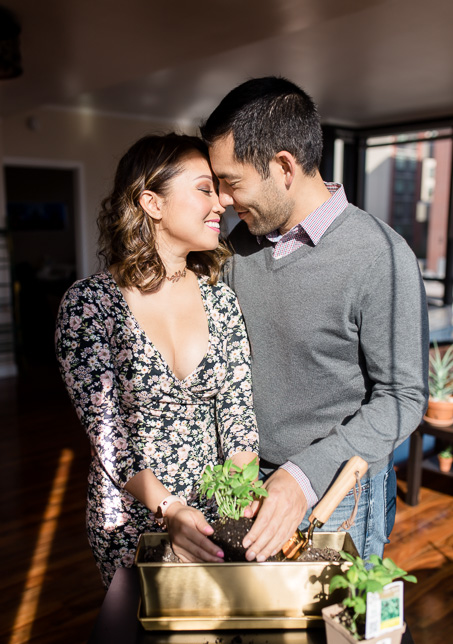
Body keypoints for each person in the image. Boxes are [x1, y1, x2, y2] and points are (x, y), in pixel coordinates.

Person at [200, 76, 429, 564]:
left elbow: (403, 398)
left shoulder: (381, 256)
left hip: (339, 493)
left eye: (231, 181)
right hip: (246, 485)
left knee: (329, 634)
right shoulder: (238, 246)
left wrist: (302, 476)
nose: (222, 199)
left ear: (284, 166)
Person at [55, 133, 259, 587]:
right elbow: (108, 434)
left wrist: (239, 500)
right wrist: (170, 509)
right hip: (131, 520)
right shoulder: (89, 304)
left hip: (212, 518)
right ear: (152, 202)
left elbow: (237, 411)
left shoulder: (221, 301)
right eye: (204, 188)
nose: (221, 202)